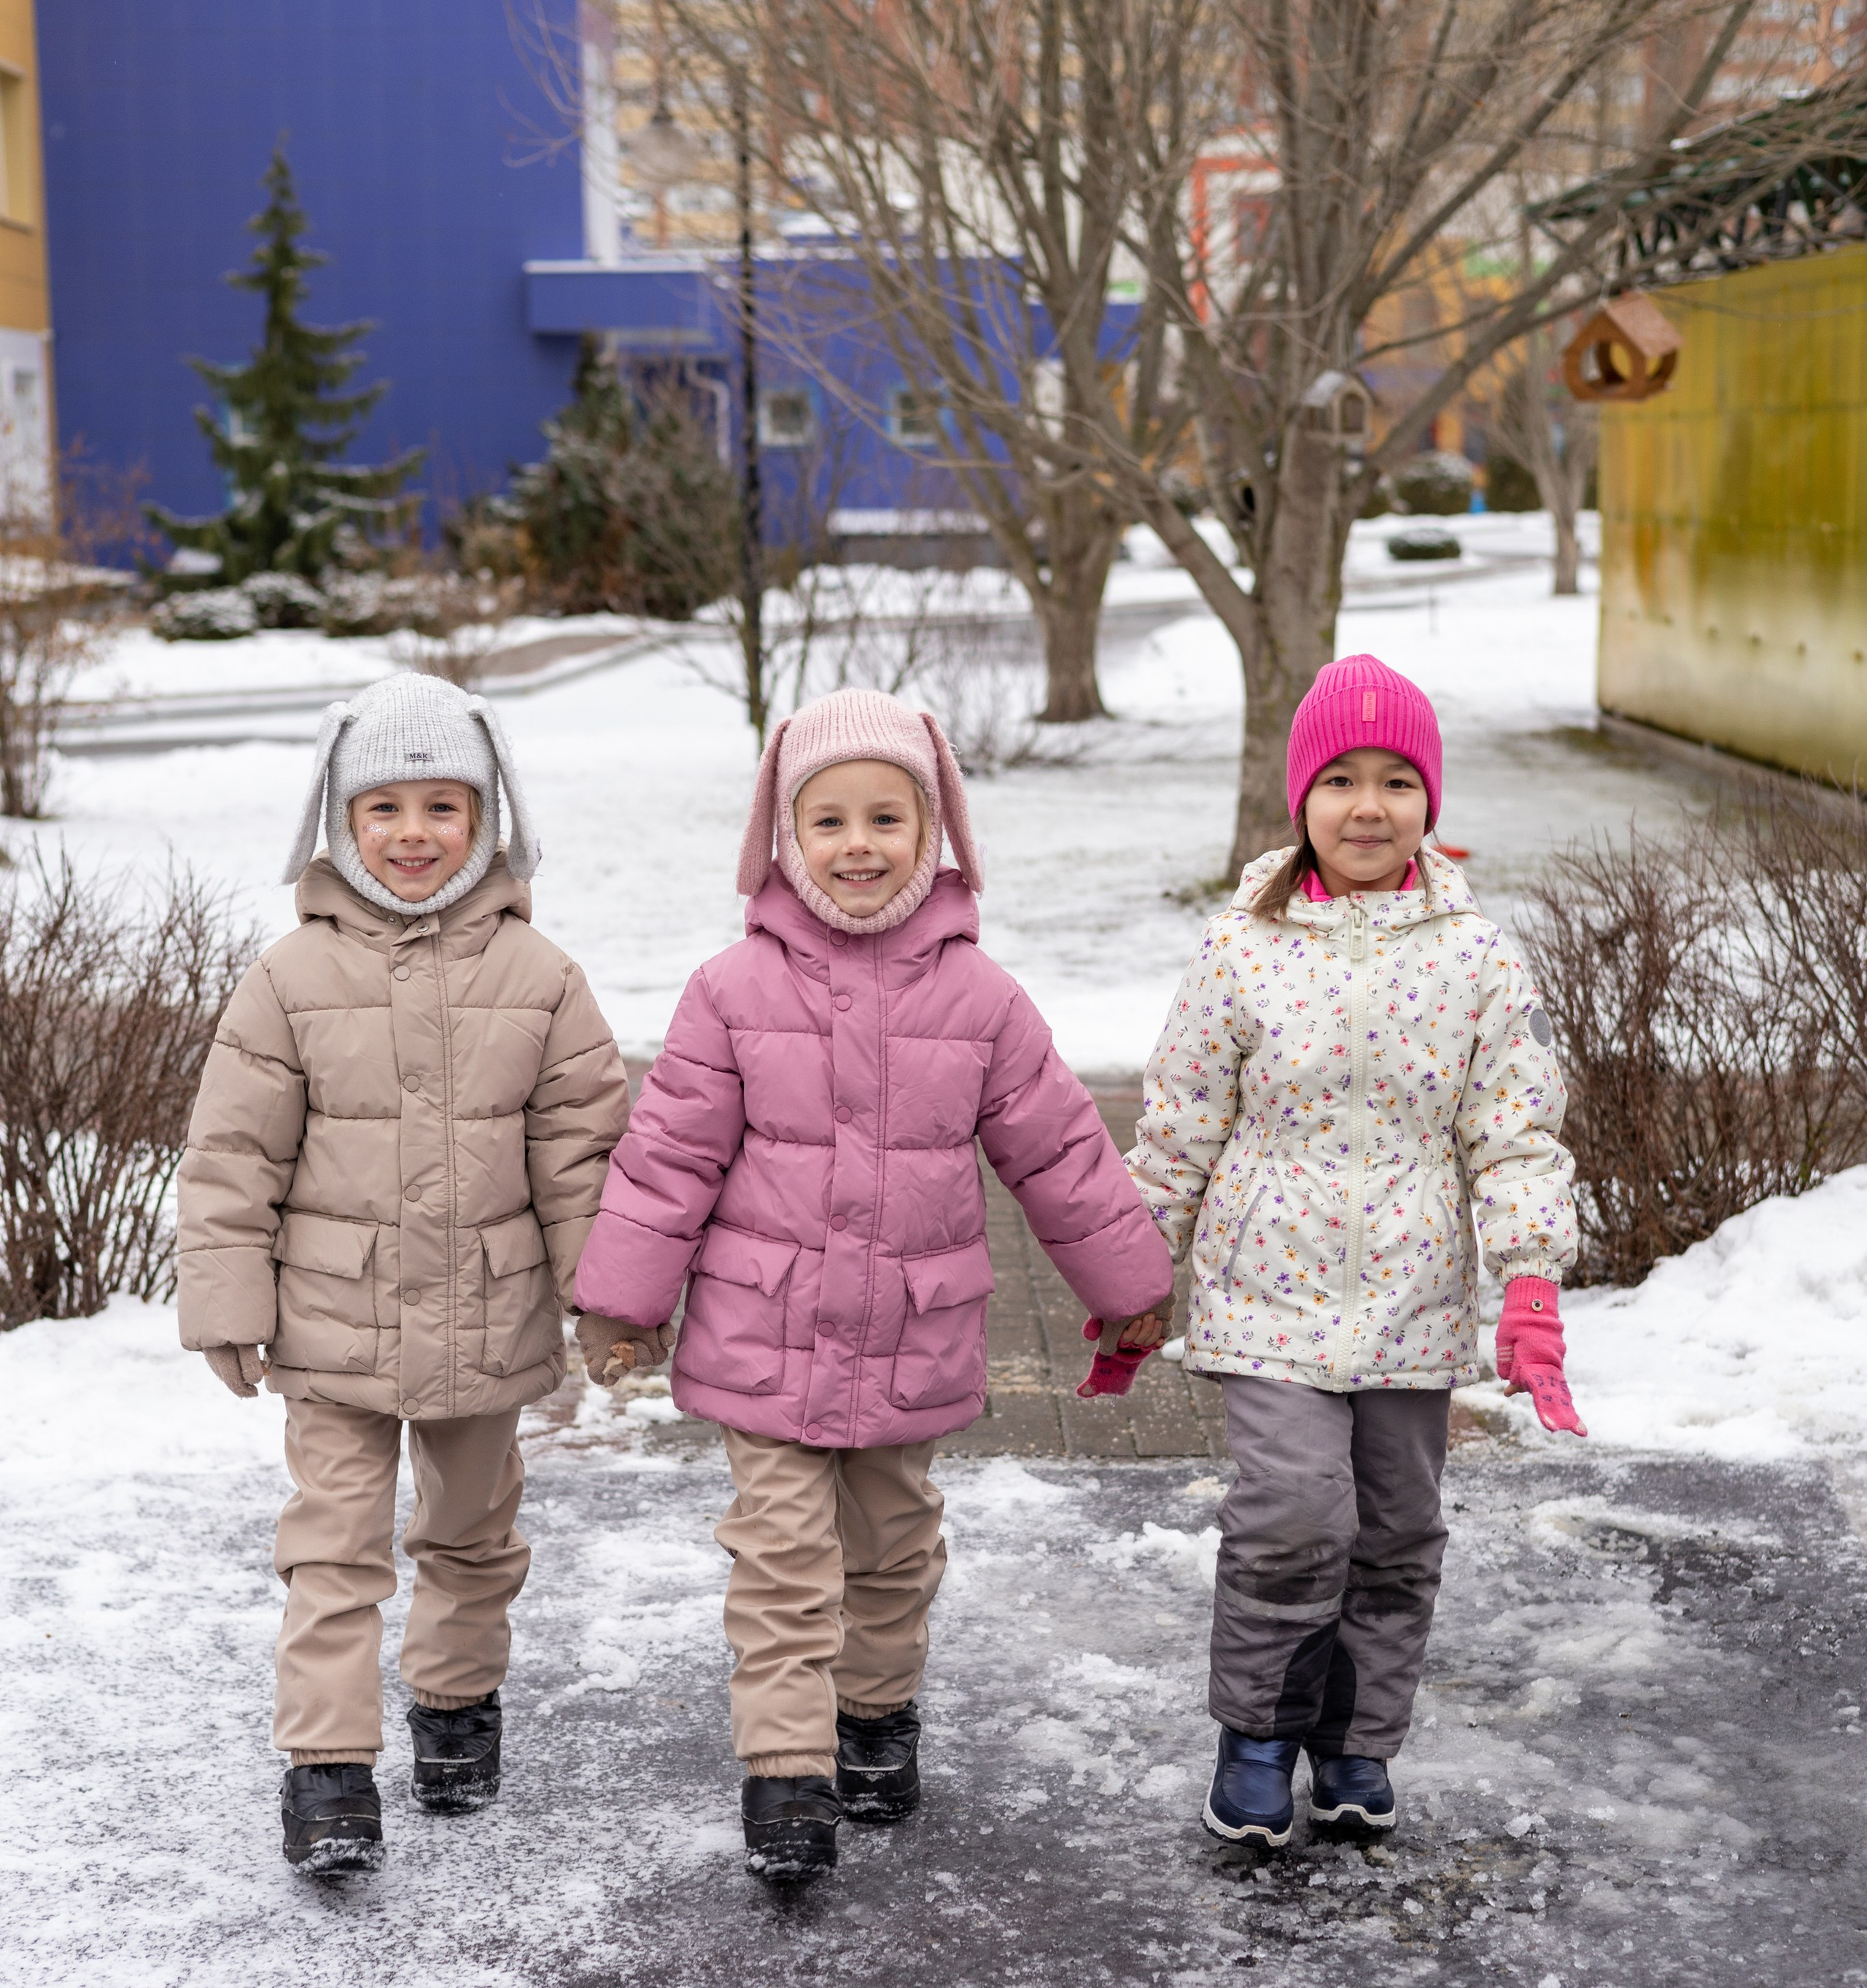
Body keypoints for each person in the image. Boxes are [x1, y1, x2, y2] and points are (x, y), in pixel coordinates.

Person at [573, 686, 1174, 1879]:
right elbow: (674, 1153)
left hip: (912, 1332)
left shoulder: (981, 1000)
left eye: (887, 819)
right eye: (829, 821)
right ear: (784, 840)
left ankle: (877, 1719)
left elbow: (1056, 1148)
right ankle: (786, 1773)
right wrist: (625, 1300)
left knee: (893, 1547)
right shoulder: (730, 992)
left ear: (936, 834)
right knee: (784, 1555)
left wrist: (1129, 1280)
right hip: (766, 1331)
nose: (858, 845)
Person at [1122, 652, 1583, 1852]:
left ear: (1431, 800)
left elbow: (1516, 1133)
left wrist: (1527, 1284)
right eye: (1339, 779)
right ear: (1301, 799)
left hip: (1411, 1304)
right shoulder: (1241, 950)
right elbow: (1180, 1119)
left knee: (1394, 1527)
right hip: (1265, 1292)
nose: (1367, 807)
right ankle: (1261, 1732)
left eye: (1395, 781)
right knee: (1292, 1510)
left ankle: (1356, 1742)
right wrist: (1131, 1275)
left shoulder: (1478, 958)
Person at [176, 674, 632, 1876]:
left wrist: (610, 1298)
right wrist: (226, 1297)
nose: (416, 833)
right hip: (332, 1320)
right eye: (386, 808)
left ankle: (455, 1706)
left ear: (490, 821)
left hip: (488, 1311)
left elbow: (581, 1152)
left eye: (446, 806)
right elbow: (233, 1153)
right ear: (341, 822)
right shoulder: (289, 978)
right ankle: (327, 1768)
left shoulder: (542, 976)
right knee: (331, 1548)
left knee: (475, 1533)